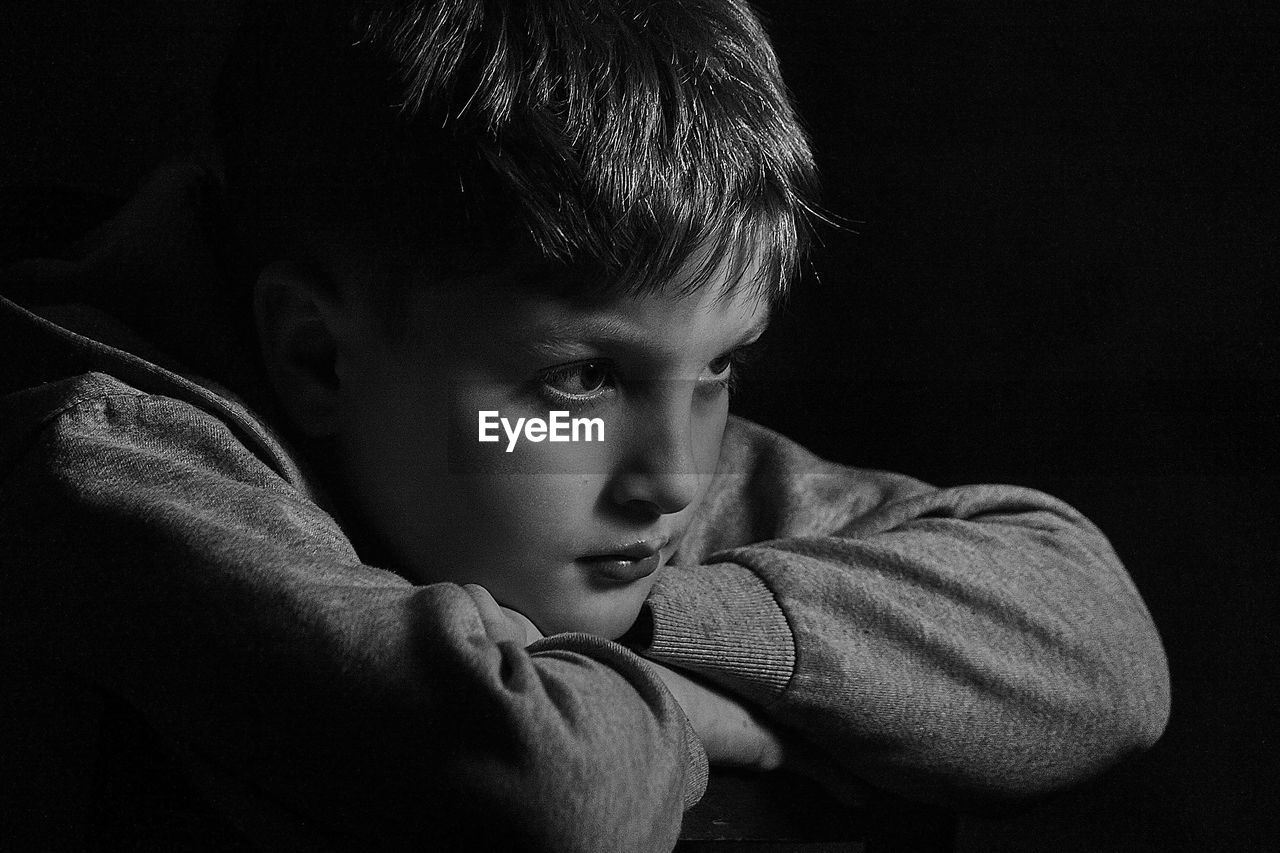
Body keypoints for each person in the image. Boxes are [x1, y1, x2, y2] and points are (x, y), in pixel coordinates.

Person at [0, 1, 1170, 850]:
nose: (674, 475)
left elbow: (1101, 664)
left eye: (721, 365)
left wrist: (673, 636)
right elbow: (552, 792)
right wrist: (766, 727)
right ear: (314, 354)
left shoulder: (542, 449)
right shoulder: (97, 462)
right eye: (581, 380)